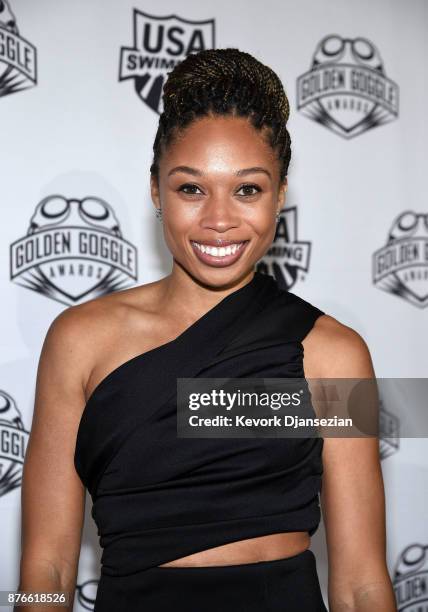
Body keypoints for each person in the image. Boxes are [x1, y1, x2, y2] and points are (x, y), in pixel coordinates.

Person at [17, 48, 397, 611]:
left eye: (248, 189)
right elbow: (45, 566)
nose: (220, 219)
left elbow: (363, 582)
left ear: (280, 196)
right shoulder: (79, 341)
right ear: (155, 192)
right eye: (191, 188)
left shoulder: (334, 355)